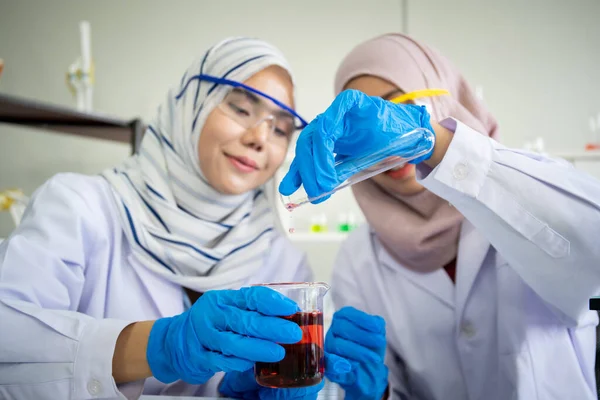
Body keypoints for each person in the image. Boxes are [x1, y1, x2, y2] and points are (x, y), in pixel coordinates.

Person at [0, 37, 349, 399]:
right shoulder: (80, 207)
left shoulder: (283, 261)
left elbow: (321, 387)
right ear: (191, 106)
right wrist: (156, 346)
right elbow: (6, 341)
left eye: (279, 129)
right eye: (242, 109)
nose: (259, 137)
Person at [280, 33, 600, 399]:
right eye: (364, 134)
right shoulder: (358, 258)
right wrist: (379, 391)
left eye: (393, 109)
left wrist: (433, 142)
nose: (384, 150)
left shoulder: (525, 191)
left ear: (444, 99)